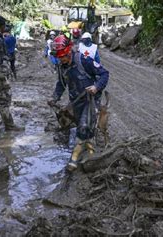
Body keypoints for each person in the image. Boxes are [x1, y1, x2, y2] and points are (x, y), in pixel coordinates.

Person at [48, 35, 109, 170]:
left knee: (83, 126)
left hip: (90, 100)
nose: (62, 59)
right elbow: (61, 84)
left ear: (69, 51)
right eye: (59, 57)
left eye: (63, 56)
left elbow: (104, 74)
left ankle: (74, 158)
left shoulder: (84, 60)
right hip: (75, 101)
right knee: (84, 126)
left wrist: (96, 87)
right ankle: (90, 148)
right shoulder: (61, 66)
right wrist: (55, 97)